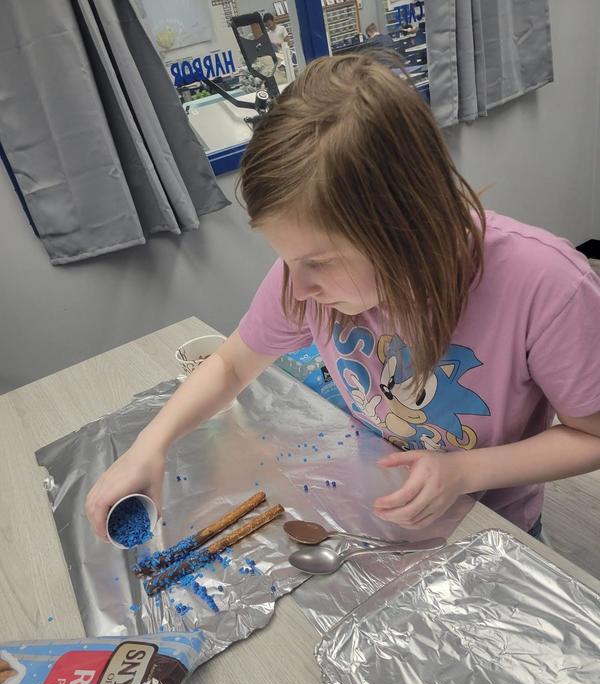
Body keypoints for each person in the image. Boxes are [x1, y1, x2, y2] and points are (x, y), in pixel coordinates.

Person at [86, 52, 600, 544]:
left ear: (410, 227)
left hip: (490, 527)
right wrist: (150, 444)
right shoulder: (303, 282)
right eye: (287, 259)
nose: (297, 289)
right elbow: (230, 364)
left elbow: (592, 436)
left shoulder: (547, 286)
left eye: (320, 262)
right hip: (378, 507)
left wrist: (465, 471)